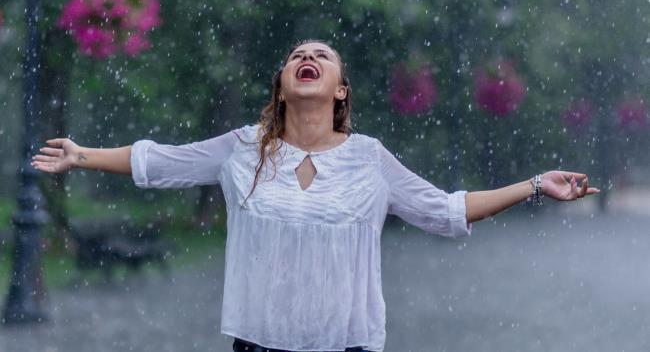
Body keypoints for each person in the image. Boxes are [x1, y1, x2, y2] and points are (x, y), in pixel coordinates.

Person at [31, 39, 599, 352]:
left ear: (341, 89)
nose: (309, 58)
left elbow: (447, 210)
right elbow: (158, 161)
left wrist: (532, 186)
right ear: (282, 83)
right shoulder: (242, 149)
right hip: (258, 348)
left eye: (323, 56)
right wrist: (83, 155)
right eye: (298, 55)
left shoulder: (370, 159)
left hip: (347, 350)